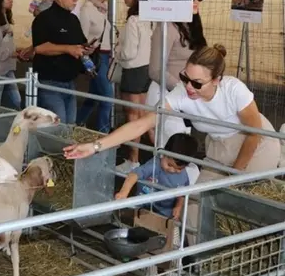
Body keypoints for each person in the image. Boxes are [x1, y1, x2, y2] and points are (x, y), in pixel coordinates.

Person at [65, 44, 281, 243]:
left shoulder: (234, 90)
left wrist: (235, 175)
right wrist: (95, 146)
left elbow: (254, 134)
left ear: (216, 80)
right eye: (185, 77)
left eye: (197, 83)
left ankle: (253, 252)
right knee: (194, 203)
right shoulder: (181, 93)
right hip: (219, 147)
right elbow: (141, 125)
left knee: (243, 202)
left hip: (256, 145)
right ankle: (199, 261)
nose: (189, 87)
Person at [146, 0, 207, 148]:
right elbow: (155, 70)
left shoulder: (192, 24)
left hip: (183, 96)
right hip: (165, 93)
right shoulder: (166, 27)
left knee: (178, 149)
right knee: (172, 151)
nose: (196, 1)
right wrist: (185, 88)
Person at [31, 0, 92, 123]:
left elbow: (80, 43)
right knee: (58, 126)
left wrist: (86, 50)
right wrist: (68, 49)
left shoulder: (73, 20)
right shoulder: (43, 19)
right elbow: (40, 47)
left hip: (70, 82)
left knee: (69, 126)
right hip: (50, 83)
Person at [115, 0, 155, 172]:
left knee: (132, 116)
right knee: (144, 115)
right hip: (147, 69)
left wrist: (117, 52)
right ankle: (160, 154)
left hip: (133, 71)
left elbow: (129, 52)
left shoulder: (133, 20)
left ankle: (133, 160)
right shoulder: (152, 18)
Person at [115, 133, 199, 221]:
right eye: (169, 165)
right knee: (133, 221)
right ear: (163, 154)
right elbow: (134, 174)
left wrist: (178, 207)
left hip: (164, 212)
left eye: (179, 169)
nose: (172, 170)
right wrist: (123, 192)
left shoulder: (184, 177)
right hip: (142, 204)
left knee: (166, 226)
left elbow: (182, 193)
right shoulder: (154, 164)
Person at [76, 0, 115, 133]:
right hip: (96, 57)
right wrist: (86, 60)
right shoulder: (87, 10)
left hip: (104, 56)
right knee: (107, 97)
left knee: (94, 96)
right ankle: (104, 133)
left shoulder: (100, 9)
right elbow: (82, 37)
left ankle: (77, 124)